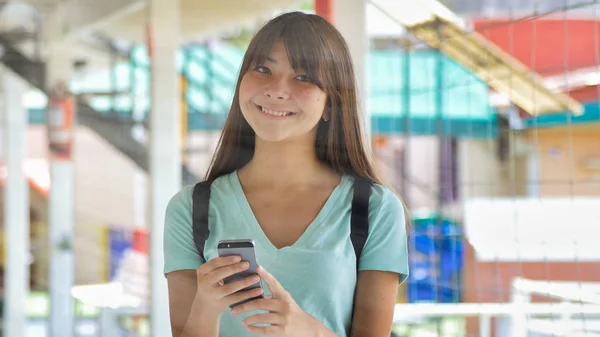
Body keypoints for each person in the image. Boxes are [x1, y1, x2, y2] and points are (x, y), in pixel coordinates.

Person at [164, 11, 409, 337]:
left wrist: (310, 331)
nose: (277, 89)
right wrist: (206, 307)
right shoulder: (190, 209)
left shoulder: (374, 209)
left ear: (331, 104)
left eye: (303, 76)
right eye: (263, 69)